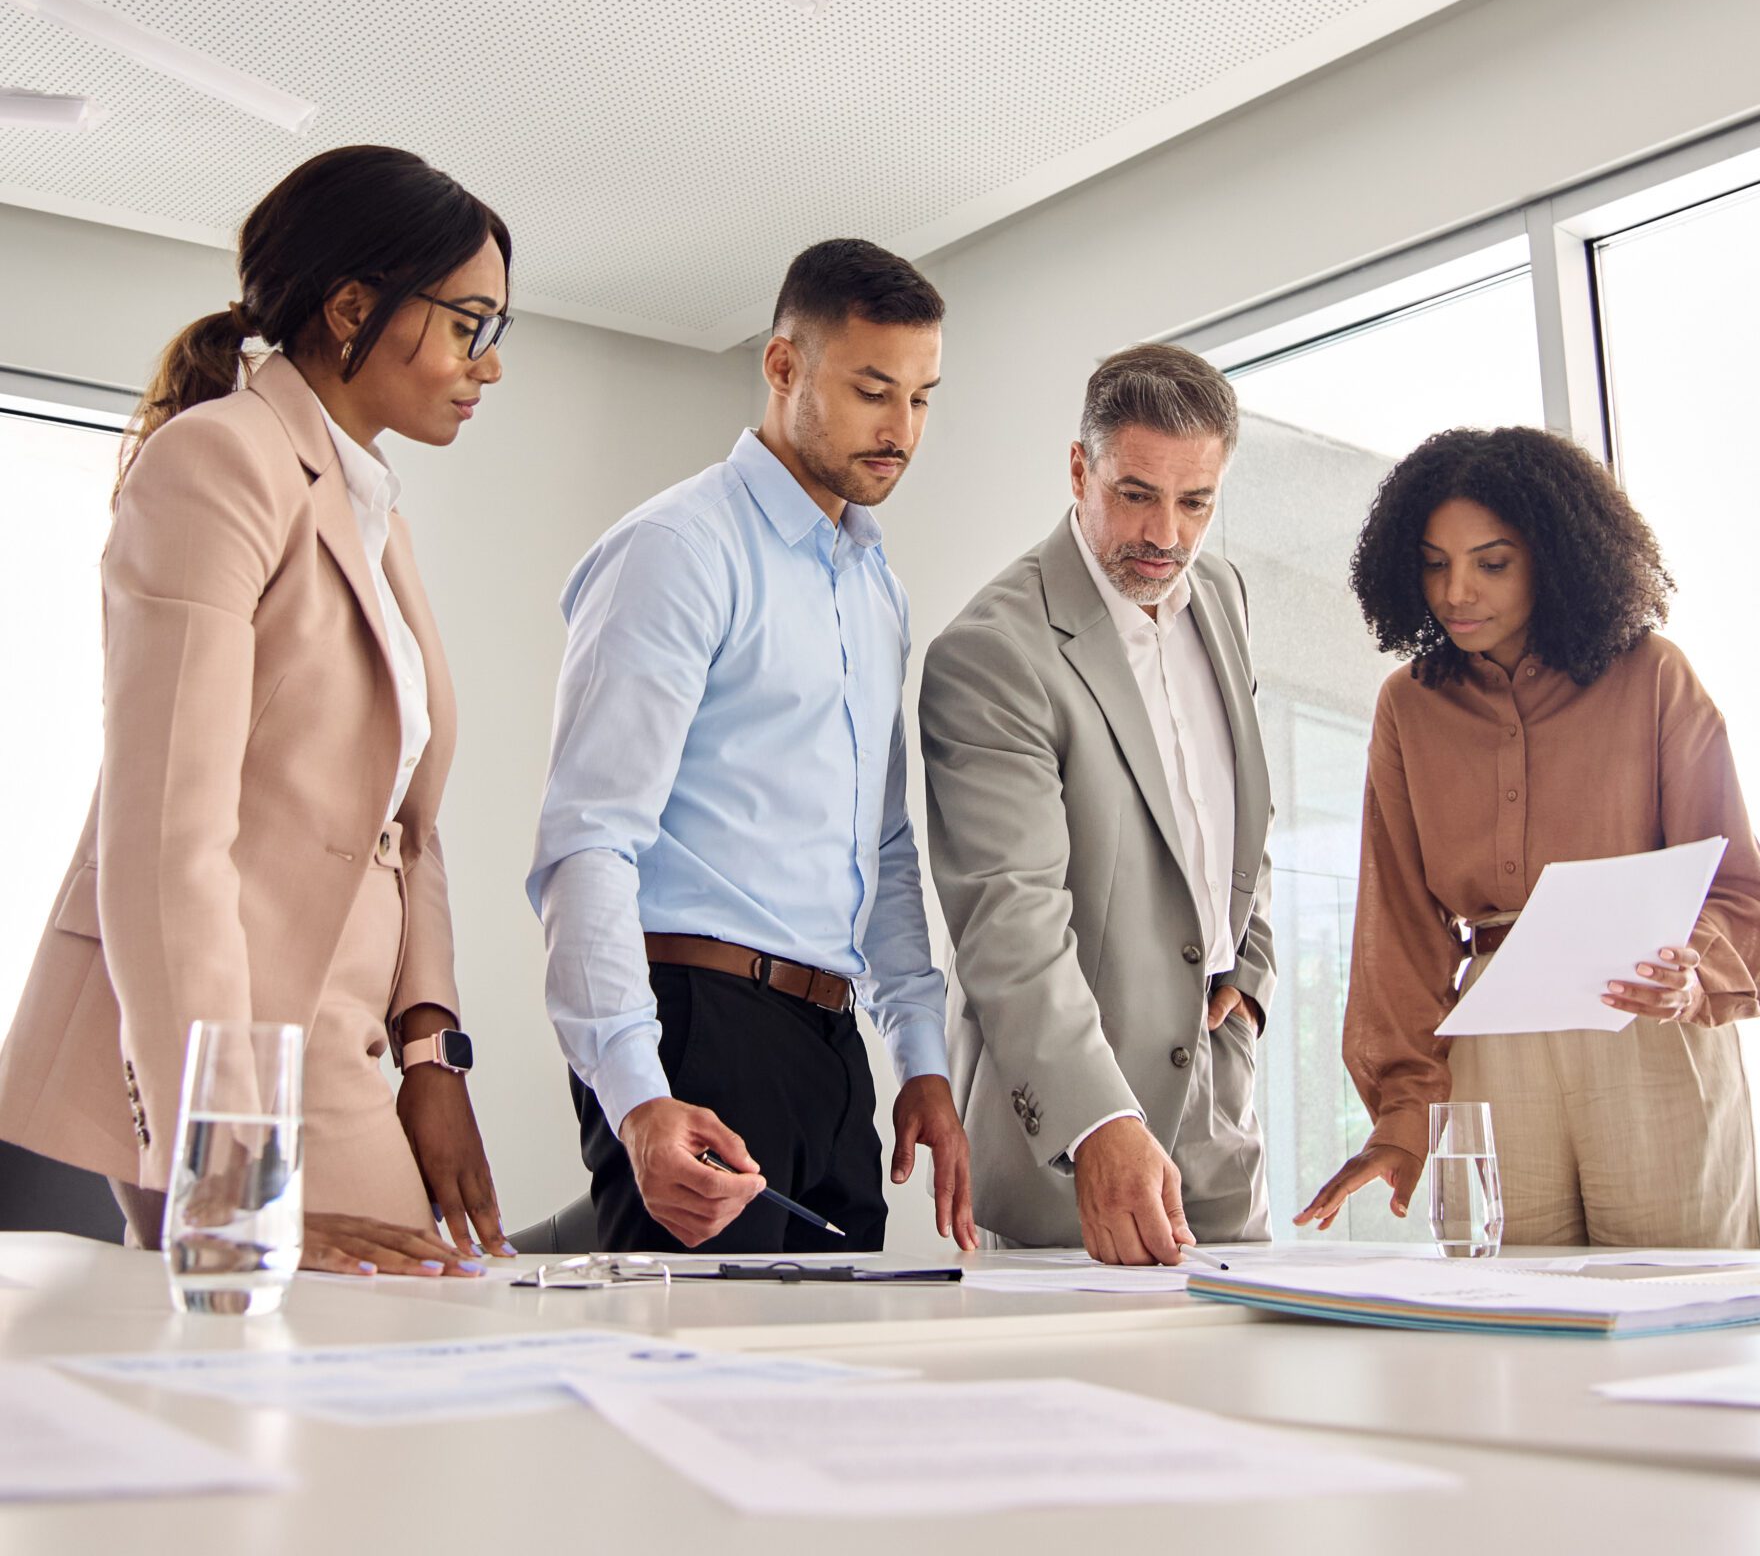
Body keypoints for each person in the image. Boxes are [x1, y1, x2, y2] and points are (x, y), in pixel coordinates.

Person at [0, 145, 516, 1278]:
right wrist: (226, 1173)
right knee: (368, 1363)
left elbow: (405, 819)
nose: (488, 364)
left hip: (340, 1038)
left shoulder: (377, 511)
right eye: (469, 321)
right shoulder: (218, 460)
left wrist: (433, 1049)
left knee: (401, 1362)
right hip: (224, 1043)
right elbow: (162, 839)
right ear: (350, 307)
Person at [531, 238, 974, 1254]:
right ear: (783, 368)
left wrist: (921, 1059)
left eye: (921, 397)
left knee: (834, 1397)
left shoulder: (876, 587)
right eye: (873, 390)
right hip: (699, 1029)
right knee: (692, 1392)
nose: (900, 430)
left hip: (830, 1044)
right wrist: (637, 1096)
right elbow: (587, 844)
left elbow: (887, 845)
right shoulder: (677, 551)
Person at [1298, 425, 1760, 1249]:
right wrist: (1403, 1113)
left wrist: (1691, 976)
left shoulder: (1653, 676)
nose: (1457, 591)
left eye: (1491, 562)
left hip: (1649, 1026)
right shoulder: (1407, 708)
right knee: (1506, 1321)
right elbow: (1400, 936)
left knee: (1682, 1311)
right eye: (1433, 562)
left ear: (1552, 558)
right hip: (1493, 1045)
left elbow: (1743, 888)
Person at [920, 342, 1275, 1263]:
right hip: (1071, 1165)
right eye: (1135, 493)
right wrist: (1097, 1121)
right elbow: (1009, 916)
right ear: (1079, 468)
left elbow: (1237, 822)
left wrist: (1250, 977)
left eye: (1195, 502)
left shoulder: (1224, 599)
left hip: (1218, 1140)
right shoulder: (992, 653)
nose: (1166, 534)